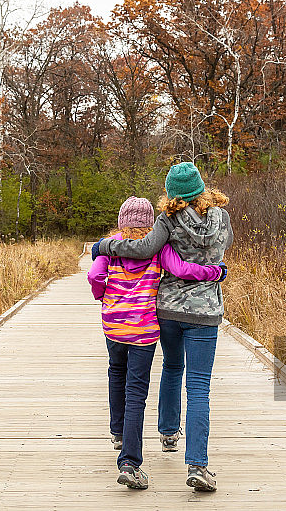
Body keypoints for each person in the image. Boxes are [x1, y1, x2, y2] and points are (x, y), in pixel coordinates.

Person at [92, 162, 232, 492]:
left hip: (168, 309)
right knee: (199, 387)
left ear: (172, 193)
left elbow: (143, 249)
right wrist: (214, 271)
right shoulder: (222, 219)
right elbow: (219, 255)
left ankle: (169, 432)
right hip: (207, 309)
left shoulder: (167, 220)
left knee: (172, 367)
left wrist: (104, 246)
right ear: (201, 188)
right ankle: (197, 465)